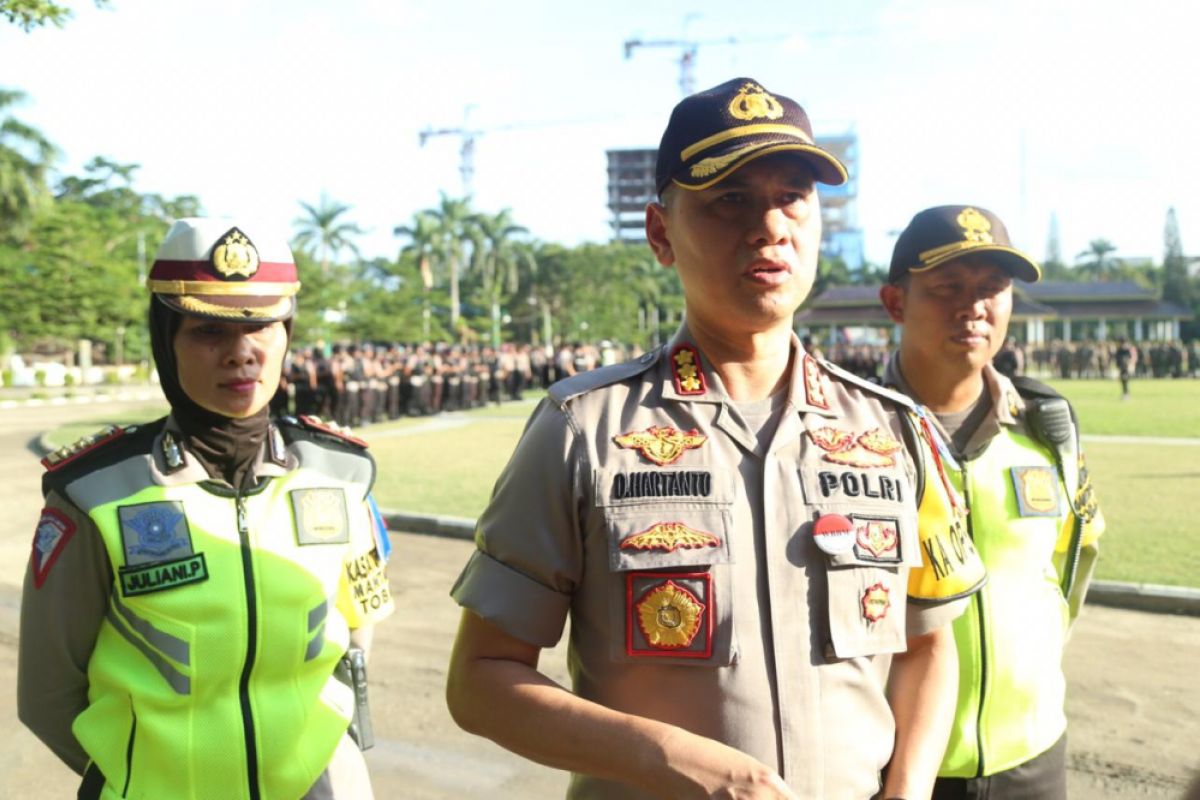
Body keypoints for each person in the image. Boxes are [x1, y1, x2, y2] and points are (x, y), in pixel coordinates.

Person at [445, 78, 987, 800]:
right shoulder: (584, 429)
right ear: (660, 233)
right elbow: (480, 682)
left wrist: (909, 788)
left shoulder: (891, 431)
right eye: (729, 199)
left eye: (792, 195)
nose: (769, 226)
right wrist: (662, 756)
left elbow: (927, 642)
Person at [18, 218, 394, 799]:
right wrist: (149, 776)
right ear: (165, 341)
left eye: (262, 327)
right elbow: (48, 695)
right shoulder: (96, 493)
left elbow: (355, 642)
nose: (241, 354)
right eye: (208, 331)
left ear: (287, 333)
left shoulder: (341, 473)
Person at [878, 205, 1105, 800]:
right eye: (947, 287)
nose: (973, 305)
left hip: (1032, 755)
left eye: (991, 288)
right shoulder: (848, 433)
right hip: (895, 768)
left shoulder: (1046, 425)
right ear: (895, 303)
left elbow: (1073, 559)